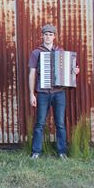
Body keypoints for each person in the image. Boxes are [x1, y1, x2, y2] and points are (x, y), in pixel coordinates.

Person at [28, 24, 80, 159]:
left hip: (59, 93)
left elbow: (70, 70)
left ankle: (62, 152)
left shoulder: (61, 52)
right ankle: (36, 152)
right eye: (46, 34)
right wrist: (31, 93)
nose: (48, 37)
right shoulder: (36, 53)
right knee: (39, 123)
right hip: (43, 93)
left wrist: (75, 71)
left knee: (60, 123)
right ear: (42, 36)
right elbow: (32, 73)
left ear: (54, 37)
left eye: (50, 34)